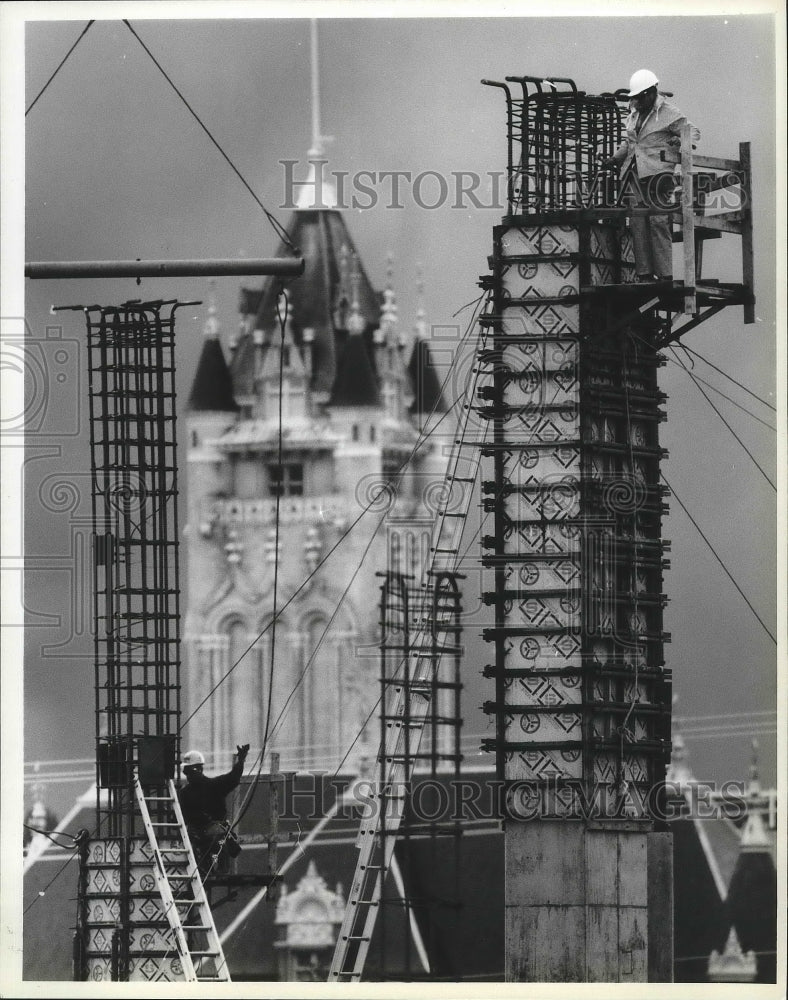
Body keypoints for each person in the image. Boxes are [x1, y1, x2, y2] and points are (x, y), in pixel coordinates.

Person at [602, 69, 700, 282]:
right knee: (638, 223)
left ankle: (664, 275)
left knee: (658, 221)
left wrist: (680, 142)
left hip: (658, 175)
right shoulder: (634, 113)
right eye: (634, 98)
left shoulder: (668, 112)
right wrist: (615, 159)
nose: (635, 101)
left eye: (639, 97)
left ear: (650, 93)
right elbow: (630, 143)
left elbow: (692, 132)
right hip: (634, 174)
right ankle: (645, 274)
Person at [178, 744, 249, 876]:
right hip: (197, 835)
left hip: (213, 834)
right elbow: (183, 817)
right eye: (186, 772)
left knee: (219, 838)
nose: (188, 775)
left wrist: (241, 761)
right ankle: (206, 871)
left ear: (198, 769)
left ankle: (220, 870)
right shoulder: (184, 793)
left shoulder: (212, 786)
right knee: (199, 847)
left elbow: (233, 777)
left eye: (189, 771)